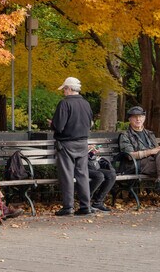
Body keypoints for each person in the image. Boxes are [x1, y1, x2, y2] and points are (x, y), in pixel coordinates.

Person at [49, 77, 93, 216]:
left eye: (64, 90)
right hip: (83, 143)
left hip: (67, 144)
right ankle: (86, 206)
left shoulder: (64, 104)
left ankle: (68, 207)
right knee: (83, 175)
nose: (63, 93)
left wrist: (52, 124)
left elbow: (59, 126)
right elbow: (90, 123)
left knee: (67, 175)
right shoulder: (86, 104)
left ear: (68, 89)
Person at [87, 145, 116, 212]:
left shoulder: (82, 139)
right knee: (99, 176)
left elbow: (89, 157)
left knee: (111, 175)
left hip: (92, 167)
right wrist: (86, 148)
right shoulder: (74, 141)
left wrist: (92, 152)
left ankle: (98, 203)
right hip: (82, 168)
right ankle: (86, 201)